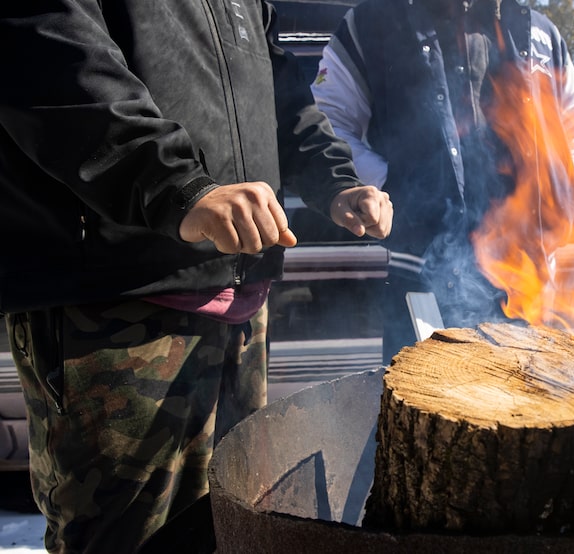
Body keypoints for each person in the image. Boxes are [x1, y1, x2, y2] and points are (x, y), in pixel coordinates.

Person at [0, 2, 392, 553]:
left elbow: (283, 94)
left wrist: (335, 182)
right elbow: (49, 52)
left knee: (234, 526)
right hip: (117, 304)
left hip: (242, 305)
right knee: (128, 541)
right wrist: (179, 187)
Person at [311, 0, 574, 362]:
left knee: (530, 407)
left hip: (526, 280)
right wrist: (392, 187)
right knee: (427, 408)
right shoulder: (371, 23)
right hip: (421, 280)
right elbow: (329, 122)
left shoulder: (536, 31)